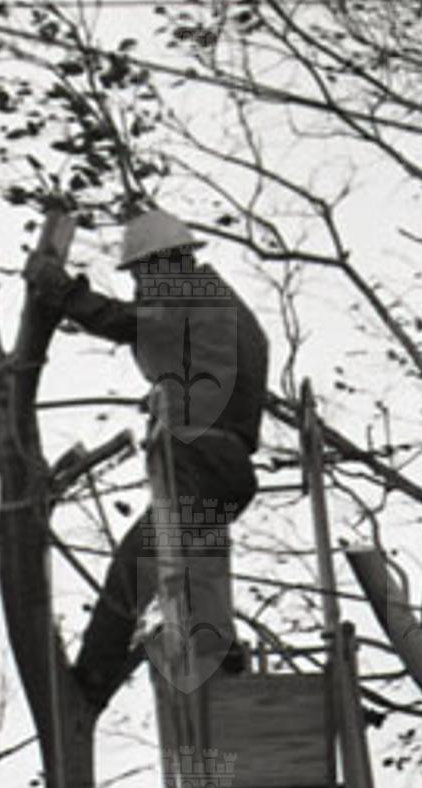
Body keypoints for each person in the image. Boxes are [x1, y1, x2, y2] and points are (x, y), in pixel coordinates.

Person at [26, 209, 268, 711]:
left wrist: (64, 292)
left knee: (138, 561)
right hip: (223, 463)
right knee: (197, 566)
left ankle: (93, 675)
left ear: (164, 264)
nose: (140, 288)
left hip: (200, 458)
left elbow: (127, 322)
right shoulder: (218, 306)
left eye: (141, 276)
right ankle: (219, 659)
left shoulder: (190, 297)